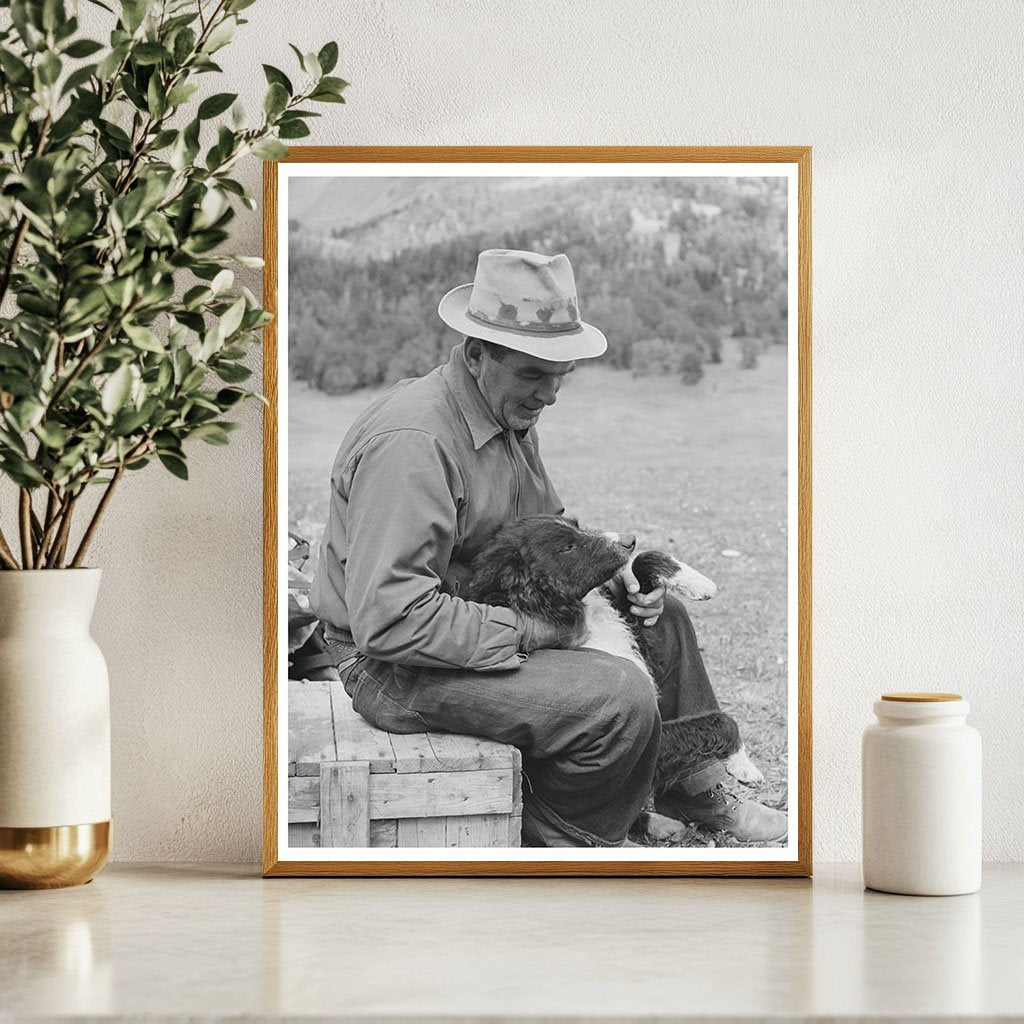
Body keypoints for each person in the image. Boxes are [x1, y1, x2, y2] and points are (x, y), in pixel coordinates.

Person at [309, 248, 787, 847]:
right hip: (391, 666)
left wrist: (615, 581)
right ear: (478, 354)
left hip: (468, 617)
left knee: (666, 620)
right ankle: (563, 833)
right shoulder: (413, 445)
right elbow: (390, 621)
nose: (549, 396)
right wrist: (542, 631)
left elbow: (547, 536)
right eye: (534, 376)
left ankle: (688, 781)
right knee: (617, 695)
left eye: (558, 378)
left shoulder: (506, 414)